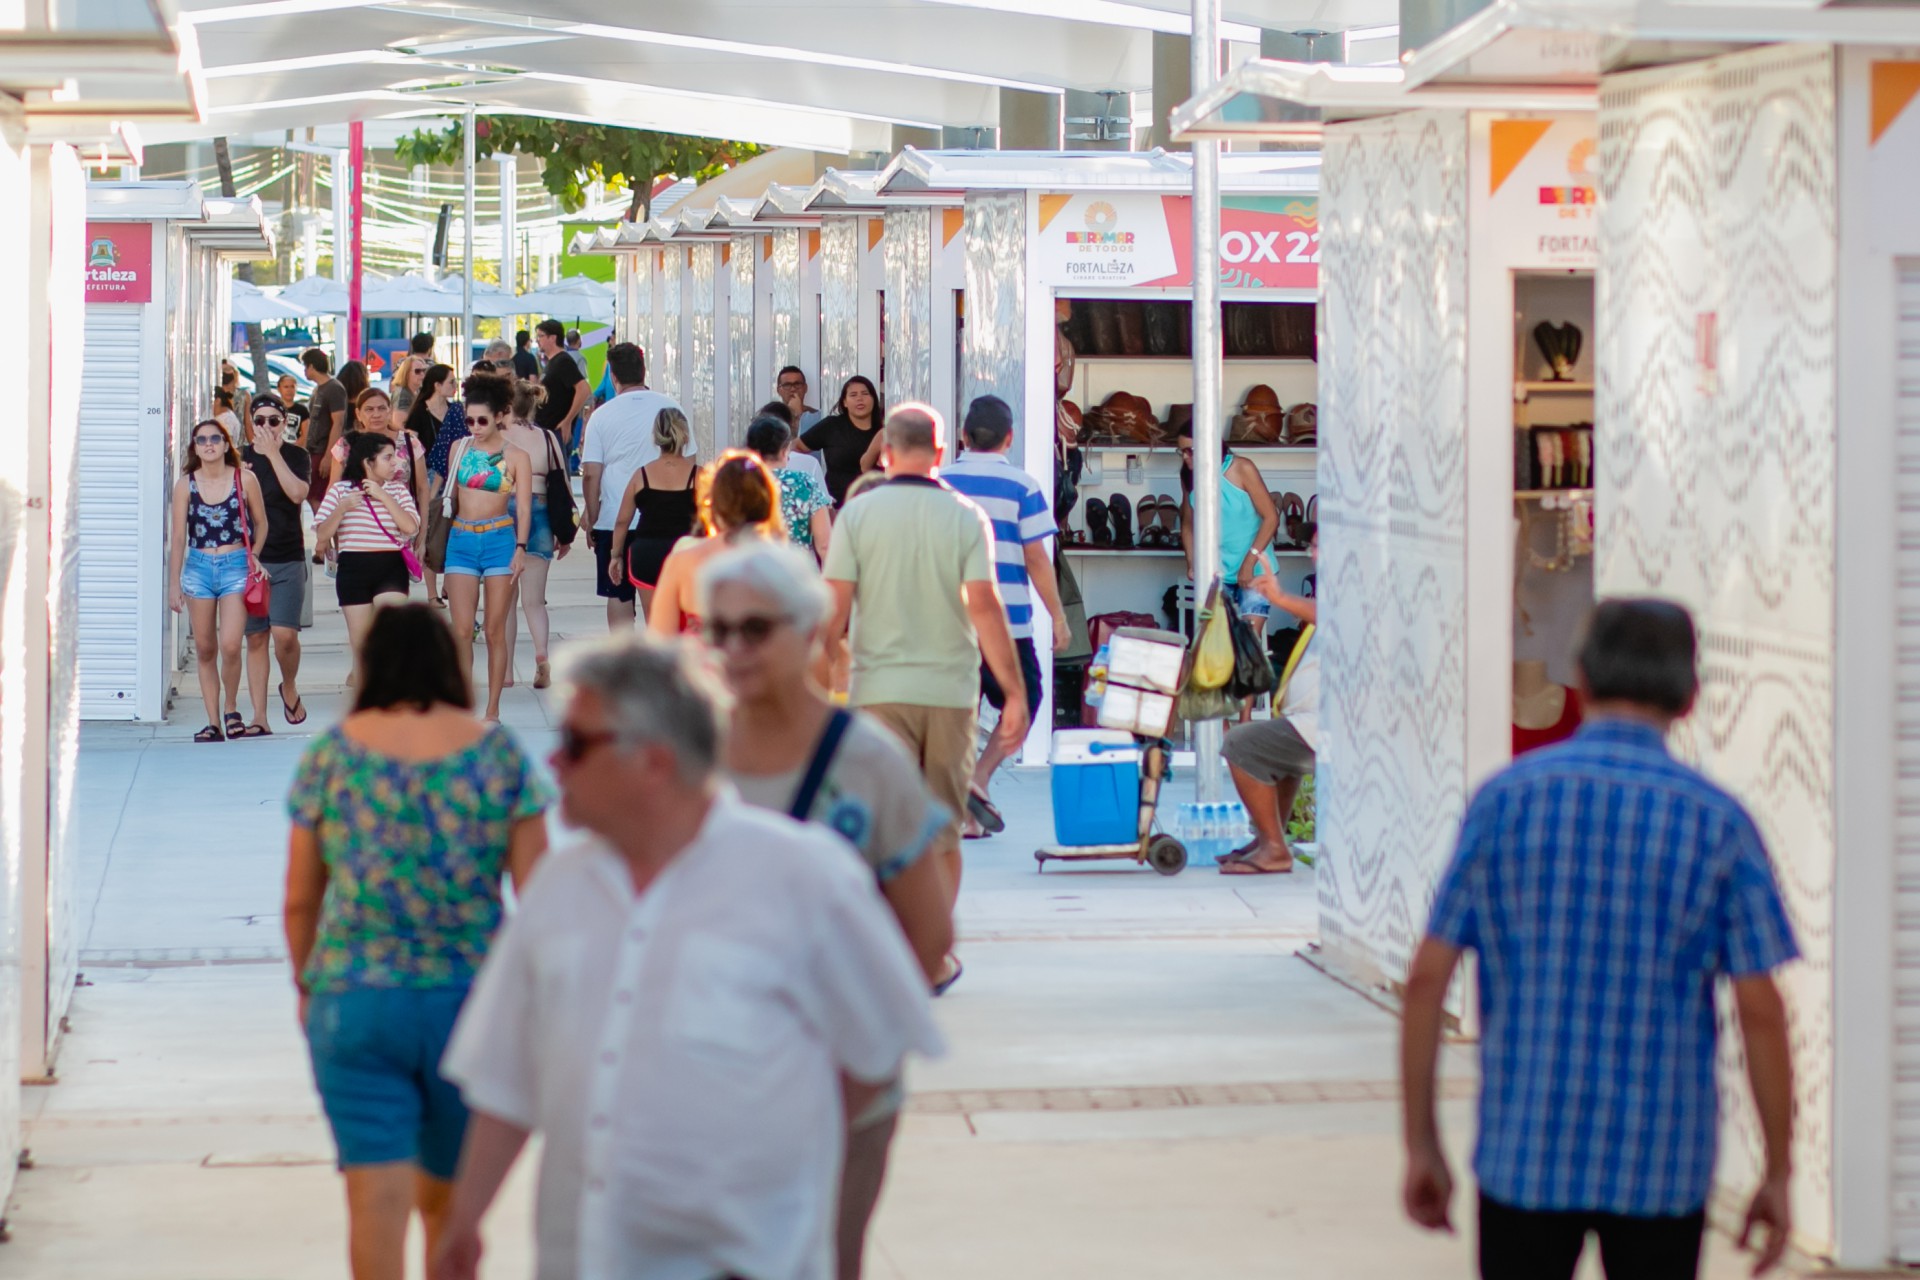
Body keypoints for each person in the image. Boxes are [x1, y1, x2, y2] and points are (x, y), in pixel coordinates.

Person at [433, 635, 942, 1280]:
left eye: (577, 745)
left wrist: (772, 1175)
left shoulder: (802, 877)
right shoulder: (558, 890)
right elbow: (506, 1076)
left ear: (653, 762)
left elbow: (874, 1053)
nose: (554, 764)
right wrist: (465, 1219)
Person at [1401, 599, 1799, 1280]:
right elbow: (1761, 1009)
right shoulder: (1718, 823)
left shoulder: (1506, 801)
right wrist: (1779, 1171)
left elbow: (1426, 981)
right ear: (1690, 696)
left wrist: (1423, 1145)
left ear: (1579, 679)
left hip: (1524, 1152)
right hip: (1662, 1163)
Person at [701, 543, 951, 1280]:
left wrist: (865, 1048)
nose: (735, 648)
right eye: (720, 631)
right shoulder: (690, 756)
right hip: (718, 1070)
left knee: (823, 1261)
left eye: (756, 629)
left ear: (810, 629)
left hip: (842, 1076)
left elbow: (929, 931)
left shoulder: (866, 760)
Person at [284, 603, 548, 1280]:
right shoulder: (497, 755)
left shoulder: (333, 756)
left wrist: (308, 984)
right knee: (451, 1211)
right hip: (471, 1004)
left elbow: (301, 899)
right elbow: (543, 897)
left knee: (373, 1202)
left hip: (357, 996)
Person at [823, 404, 1028, 994]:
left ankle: (883, 946)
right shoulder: (964, 518)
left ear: (885, 452)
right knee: (942, 828)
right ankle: (932, 956)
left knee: (880, 825)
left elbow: (833, 611)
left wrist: (814, 686)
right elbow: (986, 610)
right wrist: (1012, 692)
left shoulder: (858, 516)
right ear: (940, 451)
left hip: (877, 694)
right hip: (949, 692)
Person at [941, 395, 1072, 837]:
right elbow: (1037, 559)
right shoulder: (1023, 486)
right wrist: (1058, 616)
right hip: (1008, 622)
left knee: (956, 713)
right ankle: (979, 777)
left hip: (949, 622)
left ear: (963, 436)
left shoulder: (939, 483)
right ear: (1009, 438)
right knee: (1026, 703)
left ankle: (965, 799)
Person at [1218, 524, 1319, 874]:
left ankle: (1274, 848)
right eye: (1313, 546)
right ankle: (1268, 839)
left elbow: (1338, 613)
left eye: (1321, 546)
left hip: (1329, 726)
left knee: (1240, 743)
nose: (1313, 554)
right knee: (1275, 754)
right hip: (1311, 722)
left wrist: (1280, 599)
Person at [168, 418, 269, 743]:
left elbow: (261, 523)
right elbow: (179, 538)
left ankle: (230, 708)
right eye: (201, 440)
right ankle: (213, 721)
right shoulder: (186, 484)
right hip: (198, 566)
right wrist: (174, 583)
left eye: (215, 438)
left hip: (236, 564)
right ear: (194, 447)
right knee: (205, 648)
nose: (209, 444)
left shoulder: (245, 479)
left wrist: (254, 554)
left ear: (227, 444)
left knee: (229, 644)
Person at [440, 373, 532, 722]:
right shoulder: (459, 449)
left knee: (494, 630)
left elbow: (522, 507)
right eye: (469, 420)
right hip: (461, 540)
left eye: (481, 420)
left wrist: (521, 548)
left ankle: (492, 708)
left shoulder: (517, 456)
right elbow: (450, 500)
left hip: (499, 540)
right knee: (461, 631)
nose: (474, 426)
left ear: (499, 416)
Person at [580, 342, 685, 630]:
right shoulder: (671, 407)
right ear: (644, 371)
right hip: (664, 521)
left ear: (613, 376)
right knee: (661, 596)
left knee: (618, 594)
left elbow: (591, 473)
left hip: (613, 518)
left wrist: (592, 515)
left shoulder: (602, 415)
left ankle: (623, 660)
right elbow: (689, 460)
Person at [644, 450, 783, 638]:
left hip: (700, 664)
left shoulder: (684, 560)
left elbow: (660, 641)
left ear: (713, 503)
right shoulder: (785, 563)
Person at [315, 430, 420, 668]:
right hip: (353, 567)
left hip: (390, 566)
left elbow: (410, 527)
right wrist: (341, 509)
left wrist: (383, 495)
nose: (396, 463)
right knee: (361, 641)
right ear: (368, 462)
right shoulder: (341, 491)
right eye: (388, 457)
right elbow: (322, 536)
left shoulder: (398, 490)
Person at [240, 394, 312, 736]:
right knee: (256, 638)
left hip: (287, 556)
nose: (266, 426)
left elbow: (298, 494)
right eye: (260, 420)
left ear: (285, 422)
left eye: (273, 420)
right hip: (250, 559)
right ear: (251, 424)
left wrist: (272, 455)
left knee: (285, 635)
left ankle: (289, 684)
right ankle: (259, 716)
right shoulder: (239, 458)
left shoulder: (296, 456)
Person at [500, 378, 571, 691]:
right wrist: (566, 530)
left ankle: (504, 672)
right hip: (541, 512)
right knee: (534, 600)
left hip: (504, 512)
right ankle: (541, 655)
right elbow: (564, 482)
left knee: (504, 600)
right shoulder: (546, 437)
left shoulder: (498, 436)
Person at [1178, 429, 1281, 640]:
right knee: (1214, 641)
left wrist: (1249, 563)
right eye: (1181, 452)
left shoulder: (1241, 468)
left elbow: (1271, 517)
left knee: (1246, 641)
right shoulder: (1189, 476)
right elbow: (1188, 524)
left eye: (1190, 451)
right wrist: (1191, 562)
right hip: (1218, 571)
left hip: (1256, 568)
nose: (1185, 457)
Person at [604, 406, 698, 621]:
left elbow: (622, 521)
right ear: (685, 436)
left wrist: (615, 555)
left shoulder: (642, 475)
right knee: (688, 621)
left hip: (647, 553)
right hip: (686, 552)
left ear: (656, 438)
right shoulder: (698, 475)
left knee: (655, 622)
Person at [412, 364, 468, 608]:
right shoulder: (419, 413)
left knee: (454, 528)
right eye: (451, 382)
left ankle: (450, 584)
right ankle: (432, 592)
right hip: (430, 476)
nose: (455, 387)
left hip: (457, 474)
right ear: (436, 384)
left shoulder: (457, 411)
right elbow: (412, 449)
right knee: (432, 529)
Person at [745, 414, 832, 562]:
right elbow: (825, 545)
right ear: (785, 449)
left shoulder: (739, 483)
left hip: (751, 574)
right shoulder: (804, 483)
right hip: (798, 572)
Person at [798, 375, 882, 507]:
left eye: (865, 394)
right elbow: (796, 447)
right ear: (844, 402)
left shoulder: (884, 430)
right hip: (837, 506)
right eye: (853, 395)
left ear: (873, 399)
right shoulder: (832, 426)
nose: (860, 398)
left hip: (876, 505)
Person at [303, 347, 348, 533]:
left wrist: (329, 456)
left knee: (318, 496)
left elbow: (337, 423)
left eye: (306, 367)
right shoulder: (318, 389)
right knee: (313, 495)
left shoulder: (334, 388)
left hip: (324, 450)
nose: (305, 371)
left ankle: (326, 535)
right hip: (313, 449)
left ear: (312, 366)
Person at [533, 319, 588, 440]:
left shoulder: (563, 361)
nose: (537, 340)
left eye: (541, 336)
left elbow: (583, 389)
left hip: (555, 431)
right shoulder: (552, 361)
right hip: (546, 430)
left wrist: (567, 421)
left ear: (552, 338)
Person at [759, 398, 828, 487]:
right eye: (795, 419)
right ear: (793, 425)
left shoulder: (747, 463)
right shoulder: (809, 463)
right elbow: (823, 500)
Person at [777, 365, 824, 433]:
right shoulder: (772, 417)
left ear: (805, 388)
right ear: (779, 390)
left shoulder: (818, 416)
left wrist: (799, 416)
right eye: (787, 385)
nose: (793, 389)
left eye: (797, 384)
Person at [276, 373, 311, 447]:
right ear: (279, 389)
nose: (289, 390)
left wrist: (294, 449)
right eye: (286, 387)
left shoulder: (302, 410)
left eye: (292, 387)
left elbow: (305, 434)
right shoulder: (274, 408)